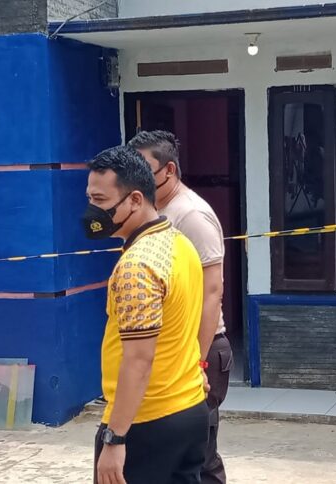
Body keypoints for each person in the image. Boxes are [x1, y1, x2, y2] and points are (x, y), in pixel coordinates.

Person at [83, 145, 209, 484]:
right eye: (90, 198)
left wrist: (115, 437)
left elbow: (138, 359)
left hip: (146, 422)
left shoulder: (137, 266)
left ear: (135, 200)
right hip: (190, 409)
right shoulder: (179, 243)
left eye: (100, 200)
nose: (92, 210)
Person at [128, 130, 230, 484]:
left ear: (169, 170)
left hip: (201, 348)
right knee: (173, 453)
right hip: (174, 348)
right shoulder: (155, 212)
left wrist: (197, 362)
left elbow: (212, 293)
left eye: (144, 170)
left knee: (199, 455)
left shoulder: (191, 215)